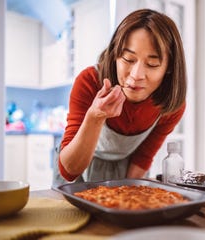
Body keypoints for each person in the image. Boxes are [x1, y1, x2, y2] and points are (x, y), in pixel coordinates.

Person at [53, 8, 187, 186]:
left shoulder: (169, 106)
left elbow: (143, 157)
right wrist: (95, 116)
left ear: (169, 67)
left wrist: (125, 195)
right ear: (115, 54)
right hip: (78, 170)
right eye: (128, 59)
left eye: (152, 64)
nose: (136, 75)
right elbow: (69, 171)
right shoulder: (89, 82)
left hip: (127, 171)